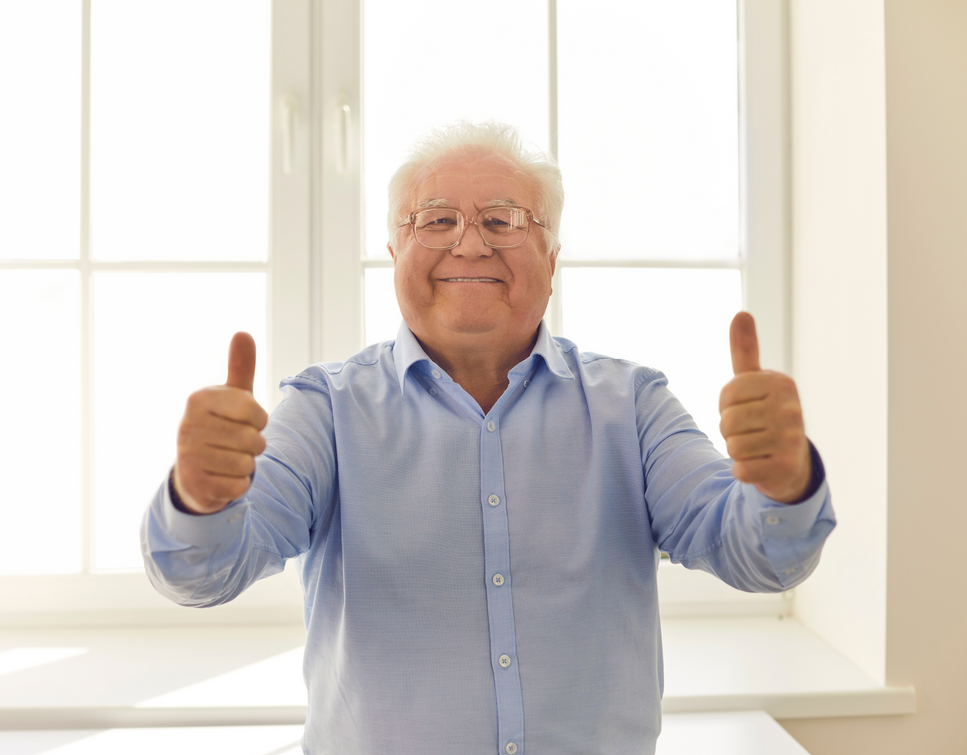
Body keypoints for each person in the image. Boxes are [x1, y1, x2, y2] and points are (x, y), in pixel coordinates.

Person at [142, 121, 834, 755]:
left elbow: (756, 557)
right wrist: (200, 499)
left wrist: (781, 483)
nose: (469, 243)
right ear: (394, 252)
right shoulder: (324, 407)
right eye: (436, 219)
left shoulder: (632, 404)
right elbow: (205, 572)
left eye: (502, 220)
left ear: (551, 255)